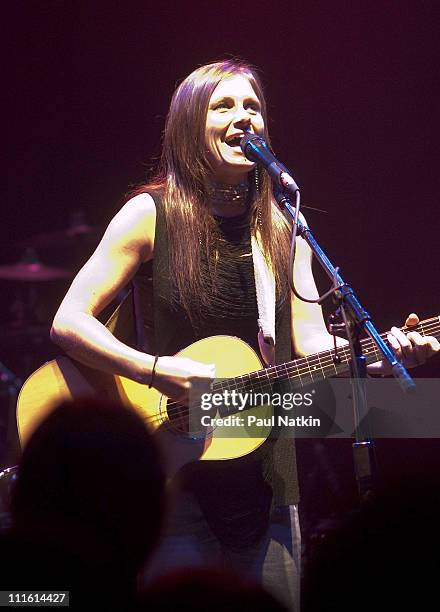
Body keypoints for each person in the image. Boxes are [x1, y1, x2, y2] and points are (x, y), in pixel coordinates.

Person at [50, 59, 439, 611]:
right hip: (172, 481)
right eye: (223, 106)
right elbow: (68, 322)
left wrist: (376, 358)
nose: (242, 118)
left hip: (267, 481)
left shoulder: (283, 225)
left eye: (252, 107)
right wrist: (155, 370)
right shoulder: (149, 213)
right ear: (190, 124)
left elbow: (309, 347)